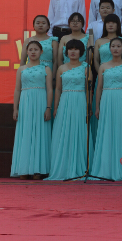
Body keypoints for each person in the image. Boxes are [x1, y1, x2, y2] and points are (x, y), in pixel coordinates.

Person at [47, 40, 91, 181]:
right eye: (70, 49)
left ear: (81, 52)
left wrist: (88, 106)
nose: (73, 51)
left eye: (76, 49)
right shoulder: (61, 68)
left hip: (80, 101)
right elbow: (58, 89)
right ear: (66, 52)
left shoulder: (86, 67)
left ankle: (79, 168)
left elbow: (88, 89)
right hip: (65, 102)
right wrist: (56, 107)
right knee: (63, 133)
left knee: (78, 132)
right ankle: (63, 168)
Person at [92, 37, 122, 181]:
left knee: (120, 132)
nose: (116, 49)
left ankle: (120, 170)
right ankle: (105, 169)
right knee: (106, 132)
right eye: (113, 46)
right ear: (109, 49)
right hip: (106, 100)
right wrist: (97, 107)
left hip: (121, 99)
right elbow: (99, 88)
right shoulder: (103, 66)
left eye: (118, 46)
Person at [11, 41, 53, 180]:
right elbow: (17, 89)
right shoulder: (21, 69)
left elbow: (50, 90)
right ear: (26, 52)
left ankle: (38, 170)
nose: (33, 52)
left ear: (41, 52)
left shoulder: (46, 69)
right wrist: (15, 108)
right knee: (26, 133)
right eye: (30, 49)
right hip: (25, 103)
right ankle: (24, 169)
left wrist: (48, 107)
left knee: (39, 133)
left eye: (36, 49)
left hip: (41, 102)